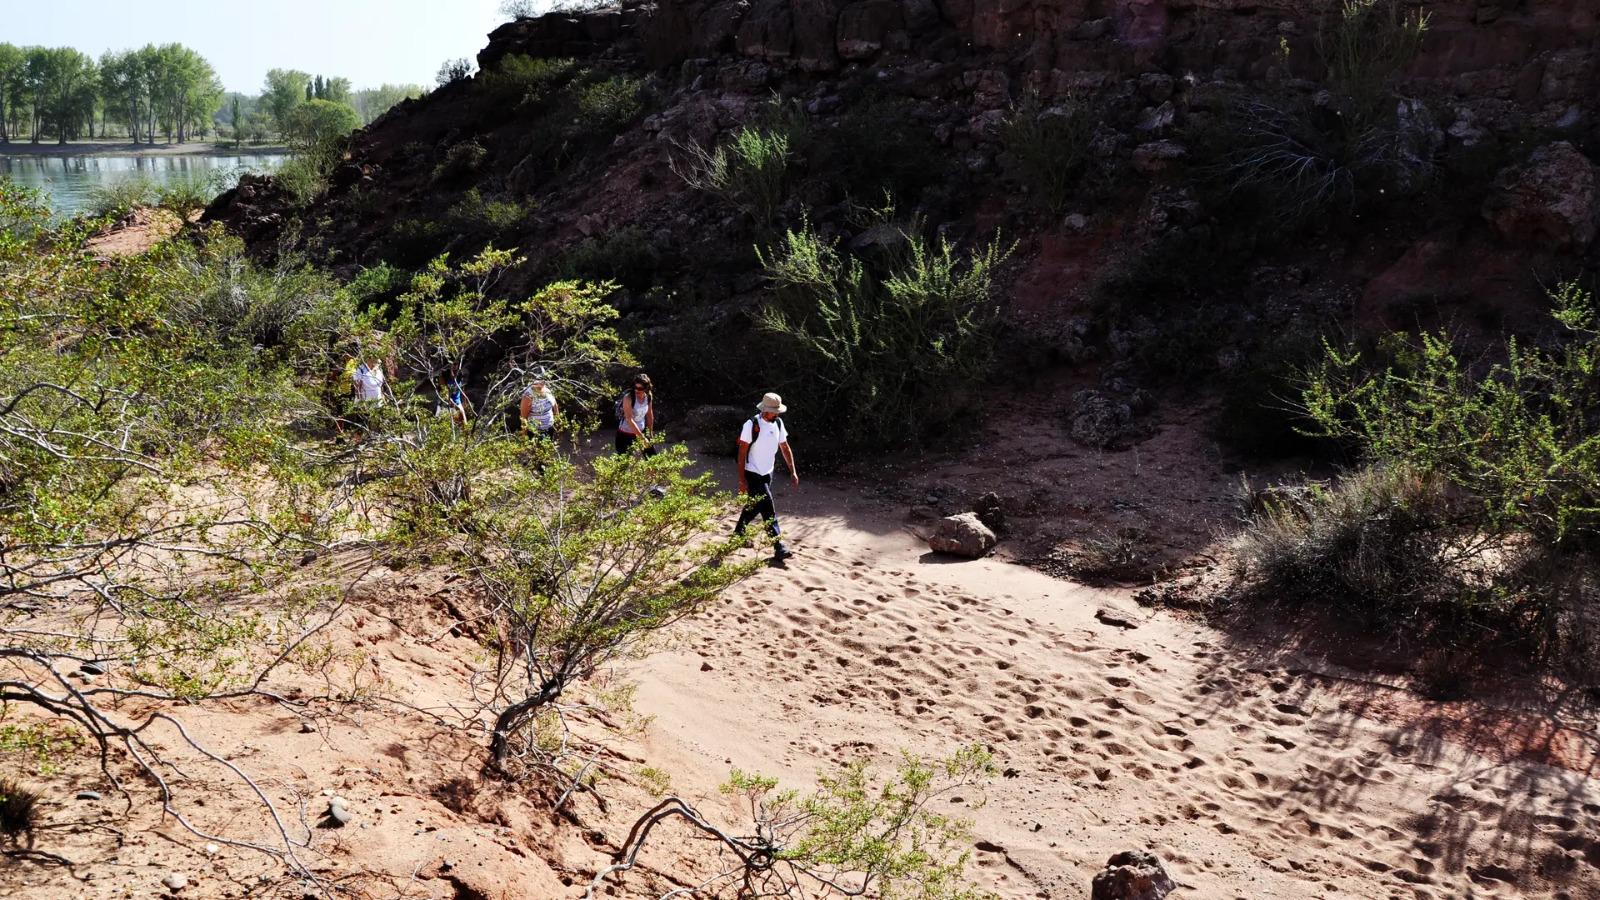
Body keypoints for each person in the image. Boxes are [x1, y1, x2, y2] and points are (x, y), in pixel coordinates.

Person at [735, 392, 798, 562]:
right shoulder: (751, 425)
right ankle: (778, 546)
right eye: (773, 411)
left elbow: (784, 447)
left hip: (767, 472)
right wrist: (742, 480)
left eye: (777, 411)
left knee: (756, 505)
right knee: (768, 507)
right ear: (764, 410)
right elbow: (741, 454)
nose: (776, 414)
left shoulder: (778, 422)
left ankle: (738, 532)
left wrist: (793, 471)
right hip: (752, 472)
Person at [616, 373, 656, 456]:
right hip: (625, 434)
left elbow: (649, 415)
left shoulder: (648, 397)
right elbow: (629, 419)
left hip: (642, 431)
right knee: (623, 463)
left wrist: (650, 433)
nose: (636, 390)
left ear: (646, 388)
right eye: (635, 387)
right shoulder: (628, 398)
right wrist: (642, 438)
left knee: (652, 459)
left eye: (640, 388)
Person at [520, 373, 559, 437]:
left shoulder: (547, 390)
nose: (539, 383)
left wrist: (558, 421)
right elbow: (523, 417)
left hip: (550, 428)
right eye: (537, 381)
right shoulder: (528, 396)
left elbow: (555, 405)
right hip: (535, 432)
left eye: (541, 380)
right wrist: (524, 434)